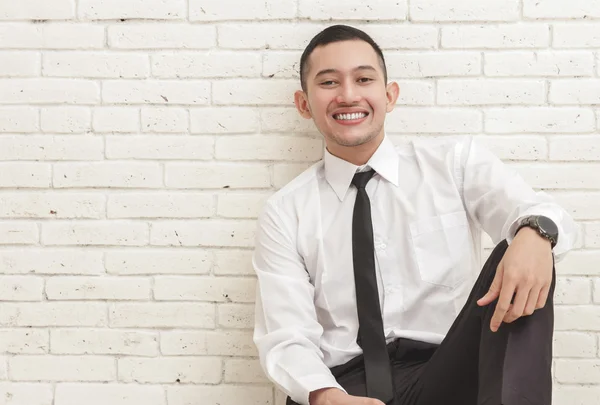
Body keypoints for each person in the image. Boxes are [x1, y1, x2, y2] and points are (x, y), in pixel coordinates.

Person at [252, 24, 577, 405]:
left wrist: (536, 232)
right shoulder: (285, 211)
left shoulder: (454, 164)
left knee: (530, 242)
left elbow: (545, 211)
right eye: (328, 83)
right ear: (304, 104)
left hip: (446, 374)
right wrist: (325, 396)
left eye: (363, 78)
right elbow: (286, 336)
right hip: (342, 387)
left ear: (389, 96)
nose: (348, 94)